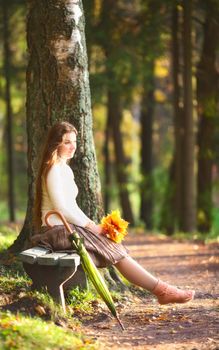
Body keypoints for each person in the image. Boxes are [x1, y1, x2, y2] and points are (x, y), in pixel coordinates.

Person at [33, 121, 195, 305]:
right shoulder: (53, 169)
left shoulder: (65, 169)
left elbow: (73, 206)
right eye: (67, 142)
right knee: (114, 250)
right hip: (56, 232)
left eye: (74, 141)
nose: (73, 147)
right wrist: (90, 226)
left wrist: (94, 226)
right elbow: (61, 209)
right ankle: (163, 290)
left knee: (114, 247)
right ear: (56, 143)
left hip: (67, 228)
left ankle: (162, 290)